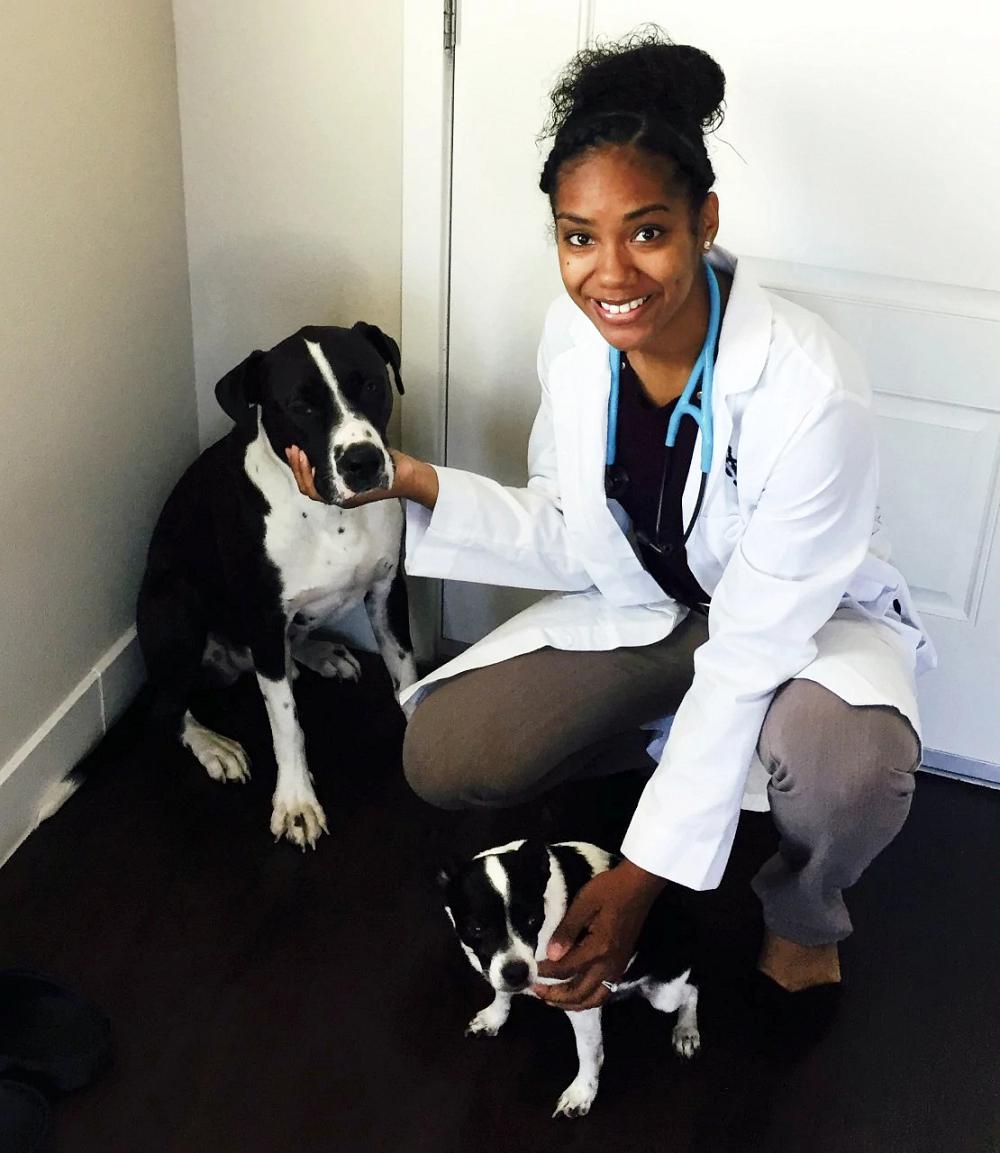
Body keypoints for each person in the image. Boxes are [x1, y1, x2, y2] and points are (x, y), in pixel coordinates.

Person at [287, 30, 934, 1013]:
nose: (610, 274)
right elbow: (565, 526)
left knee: (849, 772)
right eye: (578, 236)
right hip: (657, 611)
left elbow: (756, 635)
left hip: (794, 626)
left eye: (646, 230)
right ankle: (670, 765)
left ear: (703, 220)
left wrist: (640, 879)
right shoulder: (575, 338)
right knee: (447, 755)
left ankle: (804, 908)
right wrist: (418, 482)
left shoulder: (808, 384)